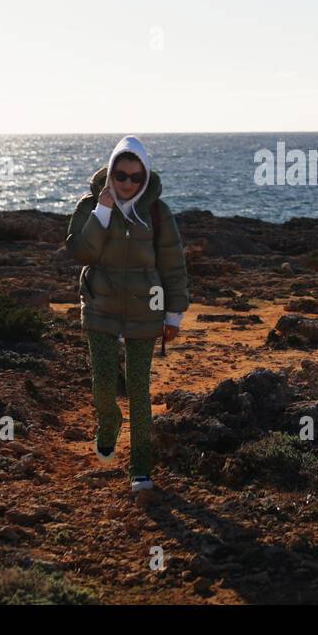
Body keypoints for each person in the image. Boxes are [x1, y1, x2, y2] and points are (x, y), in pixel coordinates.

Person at [64, 135, 189, 493]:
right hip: (101, 304)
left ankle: (140, 469)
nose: (128, 183)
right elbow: (80, 252)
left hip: (145, 309)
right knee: (103, 384)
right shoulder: (90, 205)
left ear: (145, 176)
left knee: (139, 388)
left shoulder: (157, 212)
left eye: (136, 177)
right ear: (111, 173)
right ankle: (108, 420)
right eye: (121, 175)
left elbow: (173, 264)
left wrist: (173, 315)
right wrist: (102, 212)